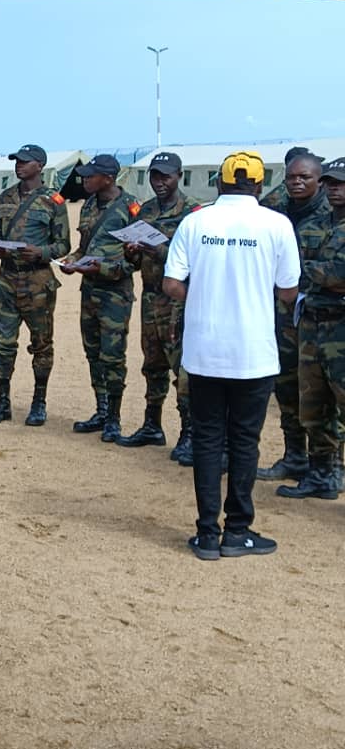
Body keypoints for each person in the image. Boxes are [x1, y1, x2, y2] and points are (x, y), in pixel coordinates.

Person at [164, 151, 300, 560]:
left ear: (220, 183)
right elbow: (288, 290)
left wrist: (204, 297)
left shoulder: (196, 221)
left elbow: (172, 284)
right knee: (245, 441)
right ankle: (237, 530)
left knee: (207, 440)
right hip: (253, 353)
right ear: (258, 186)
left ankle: (207, 533)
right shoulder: (277, 224)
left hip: (205, 351)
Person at [117, 152, 201, 456]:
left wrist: (158, 248)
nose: (159, 182)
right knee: (152, 364)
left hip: (177, 300)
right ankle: (152, 425)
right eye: (154, 176)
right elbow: (137, 261)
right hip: (151, 297)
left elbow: (193, 260)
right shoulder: (146, 210)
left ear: (179, 175)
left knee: (182, 368)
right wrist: (132, 251)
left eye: (165, 176)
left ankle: (189, 434)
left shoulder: (193, 212)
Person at [0, 144, 71, 426]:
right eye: (16, 161)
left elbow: (64, 244)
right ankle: (2, 403)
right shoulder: (6, 197)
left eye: (25, 161)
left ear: (40, 166)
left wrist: (42, 253)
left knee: (42, 345)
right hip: (7, 281)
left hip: (38, 283)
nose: (18, 165)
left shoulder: (53, 201)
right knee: (3, 345)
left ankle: (38, 403)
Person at [257, 151, 329, 481]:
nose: (297, 183)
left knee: (321, 393)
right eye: (291, 177)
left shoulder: (332, 216)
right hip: (282, 315)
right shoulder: (276, 210)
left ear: (319, 180)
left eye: (305, 178)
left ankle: (329, 465)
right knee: (285, 386)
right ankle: (294, 456)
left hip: (320, 320)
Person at [276, 156, 345, 500]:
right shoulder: (320, 224)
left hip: (340, 329)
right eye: (332, 183)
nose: (336, 189)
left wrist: (310, 270)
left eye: (341, 183)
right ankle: (322, 474)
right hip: (310, 324)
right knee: (313, 404)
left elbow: (338, 275)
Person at [60, 154, 140, 442]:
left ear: (108, 178)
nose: (84, 179)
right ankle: (101, 410)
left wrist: (102, 267)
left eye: (90, 175)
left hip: (115, 296)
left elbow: (136, 260)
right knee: (93, 354)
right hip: (89, 292)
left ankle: (114, 419)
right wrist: (71, 261)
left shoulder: (131, 208)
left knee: (113, 357)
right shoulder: (89, 205)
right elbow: (83, 247)